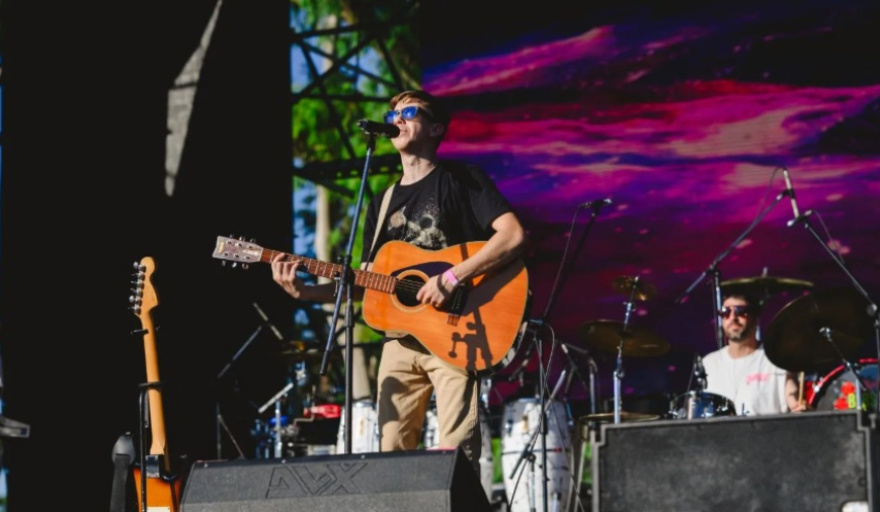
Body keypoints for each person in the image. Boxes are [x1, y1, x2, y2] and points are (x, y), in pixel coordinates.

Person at [270, 89, 528, 475]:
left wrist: (453, 277)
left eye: (409, 111)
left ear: (435, 128)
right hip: (399, 341)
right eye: (392, 111)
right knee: (392, 456)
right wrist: (306, 292)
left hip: (456, 332)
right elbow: (365, 284)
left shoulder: (461, 179)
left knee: (455, 453)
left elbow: (512, 235)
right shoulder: (381, 202)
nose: (397, 117)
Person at [701, 291, 808, 415]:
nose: (732, 318)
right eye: (726, 312)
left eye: (740, 311)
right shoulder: (709, 362)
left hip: (768, 433)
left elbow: (795, 403)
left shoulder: (776, 358)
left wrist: (801, 409)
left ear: (756, 318)